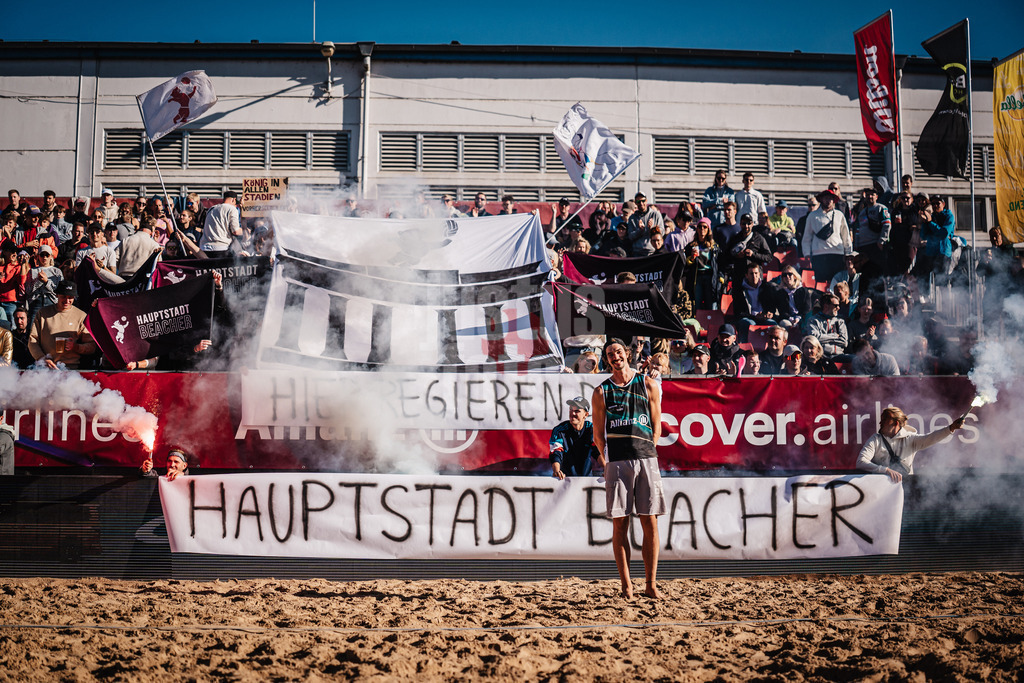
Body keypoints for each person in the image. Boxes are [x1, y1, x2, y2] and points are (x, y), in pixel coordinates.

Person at [591, 339, 665, 599]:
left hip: (646, 458)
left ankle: (651, 583)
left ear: (627, 354)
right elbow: (598, 435)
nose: (615, 357)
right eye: (610, 354)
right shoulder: (601, 392)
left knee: (650, 522)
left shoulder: (647, 384)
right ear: (606, 359)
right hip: (618, 462)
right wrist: (607, 460)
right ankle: (626, 586)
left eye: (618, 352)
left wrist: (648, 452)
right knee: (619, 524)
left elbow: (657, 426)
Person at [856, 407, 966, 482]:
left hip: (906, 488)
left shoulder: (911, 439)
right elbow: (861, 462)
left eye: (884, 420)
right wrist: (885, 470)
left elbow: (931, 437)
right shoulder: (875, 439)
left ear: (896, 423)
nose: (880, 423)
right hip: (880, 490)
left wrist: (951, 428)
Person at [28, 281, 97, 369]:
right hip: (45, 367)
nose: (67, 301)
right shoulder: (43, 313)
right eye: (63, 296)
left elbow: (91, 346)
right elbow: (33, 340)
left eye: (70, 297)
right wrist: (42, 358)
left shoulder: (81, 316)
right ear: (57, 295)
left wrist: (75, 347)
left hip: (71, 368)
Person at [801, 188, 853, 285]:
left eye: (830, 198)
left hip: (837, 254)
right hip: (819, 256)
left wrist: (848, 254)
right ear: (821, 200)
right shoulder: (812, 216)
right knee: (821, 284)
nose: (828, 201)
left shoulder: (839, 215)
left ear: (834, 201)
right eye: (825, 198)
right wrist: (807, 254)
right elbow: (807, 238)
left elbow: (846, 236)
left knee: (838, 284)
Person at [549, 397, 600, 479]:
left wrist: (607, 469)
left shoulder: (592, 429)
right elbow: (556, 453)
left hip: (586, 480)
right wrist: (556, 471)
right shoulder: (559, 430)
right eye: (571, 409)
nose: (572, 413)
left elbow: (598, 452)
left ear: (586, 414)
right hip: (564, 479)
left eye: (577, 411)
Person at [802, 293, 848, 357]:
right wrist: (834, 336)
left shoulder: (840, 322)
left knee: (854, 359)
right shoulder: (813, 320)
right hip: (821, 356)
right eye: (836, 305)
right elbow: (814, 339)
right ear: (826, 306)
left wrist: (823, 339)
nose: (838, 308)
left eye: (839, 305)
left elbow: (844, 342)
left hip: (839, 355)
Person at [199, 190, 241, 256]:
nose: (235, 206)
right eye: (236, 204)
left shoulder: (211, 209)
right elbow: (235, 231)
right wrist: (245, 230)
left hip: (204, 248)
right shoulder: (232, 209)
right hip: (220, 248)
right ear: (233, 200)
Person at [626, 193, 664, 257]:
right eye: (638, 201)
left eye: (643, 201)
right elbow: (630, 236)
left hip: (653, 252)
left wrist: (652, 229)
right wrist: (640, 230)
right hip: (637, 253)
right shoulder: (632, 218)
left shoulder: (656, 214)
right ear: (635, 203)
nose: (641, 203)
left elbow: (662, 232)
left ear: (646, 201)